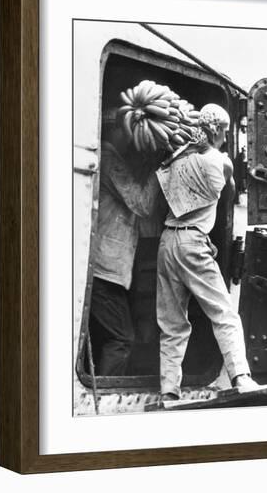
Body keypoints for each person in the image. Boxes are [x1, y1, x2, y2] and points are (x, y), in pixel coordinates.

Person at [155, 103, 262, 401]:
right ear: (215, 129)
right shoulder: (220, 161)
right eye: (225, 131)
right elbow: (226, 185)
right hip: (192, 245)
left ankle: (168, 390)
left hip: (168, 241)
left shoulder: (175, 160)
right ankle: (241, 377)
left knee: (172, 323)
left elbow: (185, 202)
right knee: (224, 313)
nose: (227, 137)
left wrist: (190, 148)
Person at [89, 112, 160, 376]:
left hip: (109, 270)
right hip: (104, 272)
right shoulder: (109, 162)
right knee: (122, 339)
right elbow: (142, 204)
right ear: (118, 131)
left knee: (111, 336)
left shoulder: (112, 162)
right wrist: (160, 170)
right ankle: (104, 399)